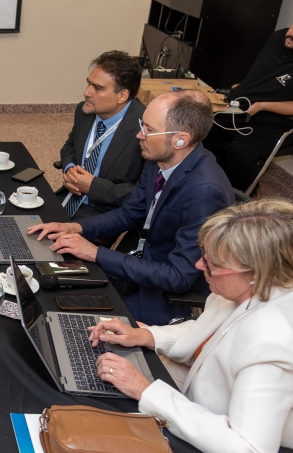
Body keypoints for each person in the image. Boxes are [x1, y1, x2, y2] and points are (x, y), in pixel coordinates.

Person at [88, 199, 293, 453]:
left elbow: (249, 451)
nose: (198, 265)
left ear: (254, 272)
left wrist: (145, 390)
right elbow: (212, 331)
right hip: (202, 407)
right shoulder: (263, 285)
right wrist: (146, 335)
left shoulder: (273, 339)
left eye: (212, 263)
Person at [29, 90, 235, 325]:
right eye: (142, 125)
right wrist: (75, 228)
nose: (139, 135)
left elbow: (178, 277)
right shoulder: (159, 157)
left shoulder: (204, 192)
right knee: (49, 285)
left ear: (181, 139)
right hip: (138, 263)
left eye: (149, 129)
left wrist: (96, 253)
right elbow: (131, 213)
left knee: (71, 318)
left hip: (164, 293)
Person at [203, 7, 293, 192]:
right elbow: (262, 72)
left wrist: (262, 106)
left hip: (276, 123)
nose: (292, 33)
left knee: (241, 153)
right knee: (203, 130)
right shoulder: (278, 38)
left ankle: (246, 194)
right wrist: (245, 86)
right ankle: (221, 182)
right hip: (244, 109)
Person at [59, 50, 147, 220]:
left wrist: (94, 187)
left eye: (97, 88)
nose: (86, 93)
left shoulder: (146, 128)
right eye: (89, 84)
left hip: (109, 211)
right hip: (70, 197)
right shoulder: (84, 111)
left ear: (122, 95)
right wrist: (70, 168)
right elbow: (70, 146)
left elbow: (145, 192)